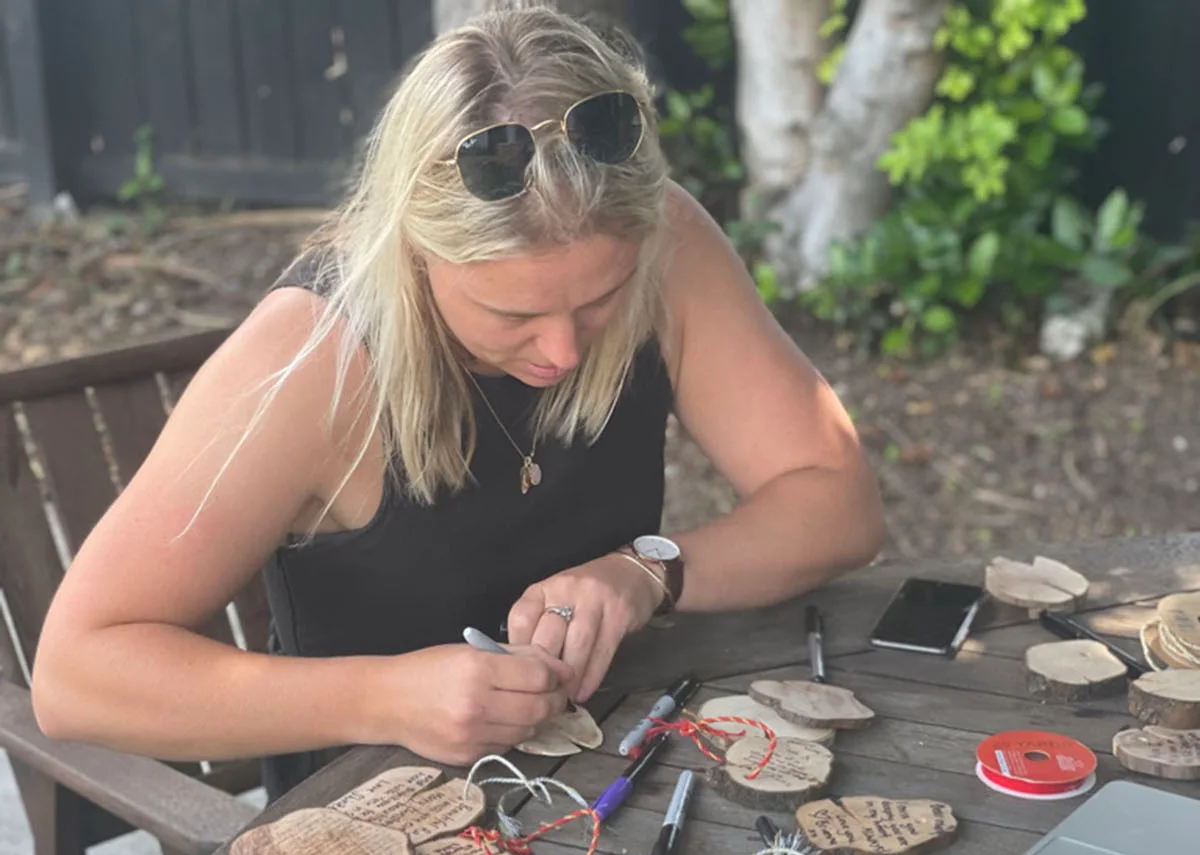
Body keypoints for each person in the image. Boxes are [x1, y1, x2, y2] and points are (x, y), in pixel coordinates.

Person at [32, 4, 883, 799]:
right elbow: (77, 676)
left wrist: (646, 572)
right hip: (367, 810)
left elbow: (836, 503)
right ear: (415, 251)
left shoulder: (669, 242)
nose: (564, 350)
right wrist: (385, 697)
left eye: (602, 300)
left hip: (614, 758)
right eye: (511, 314)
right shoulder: (312, 360)